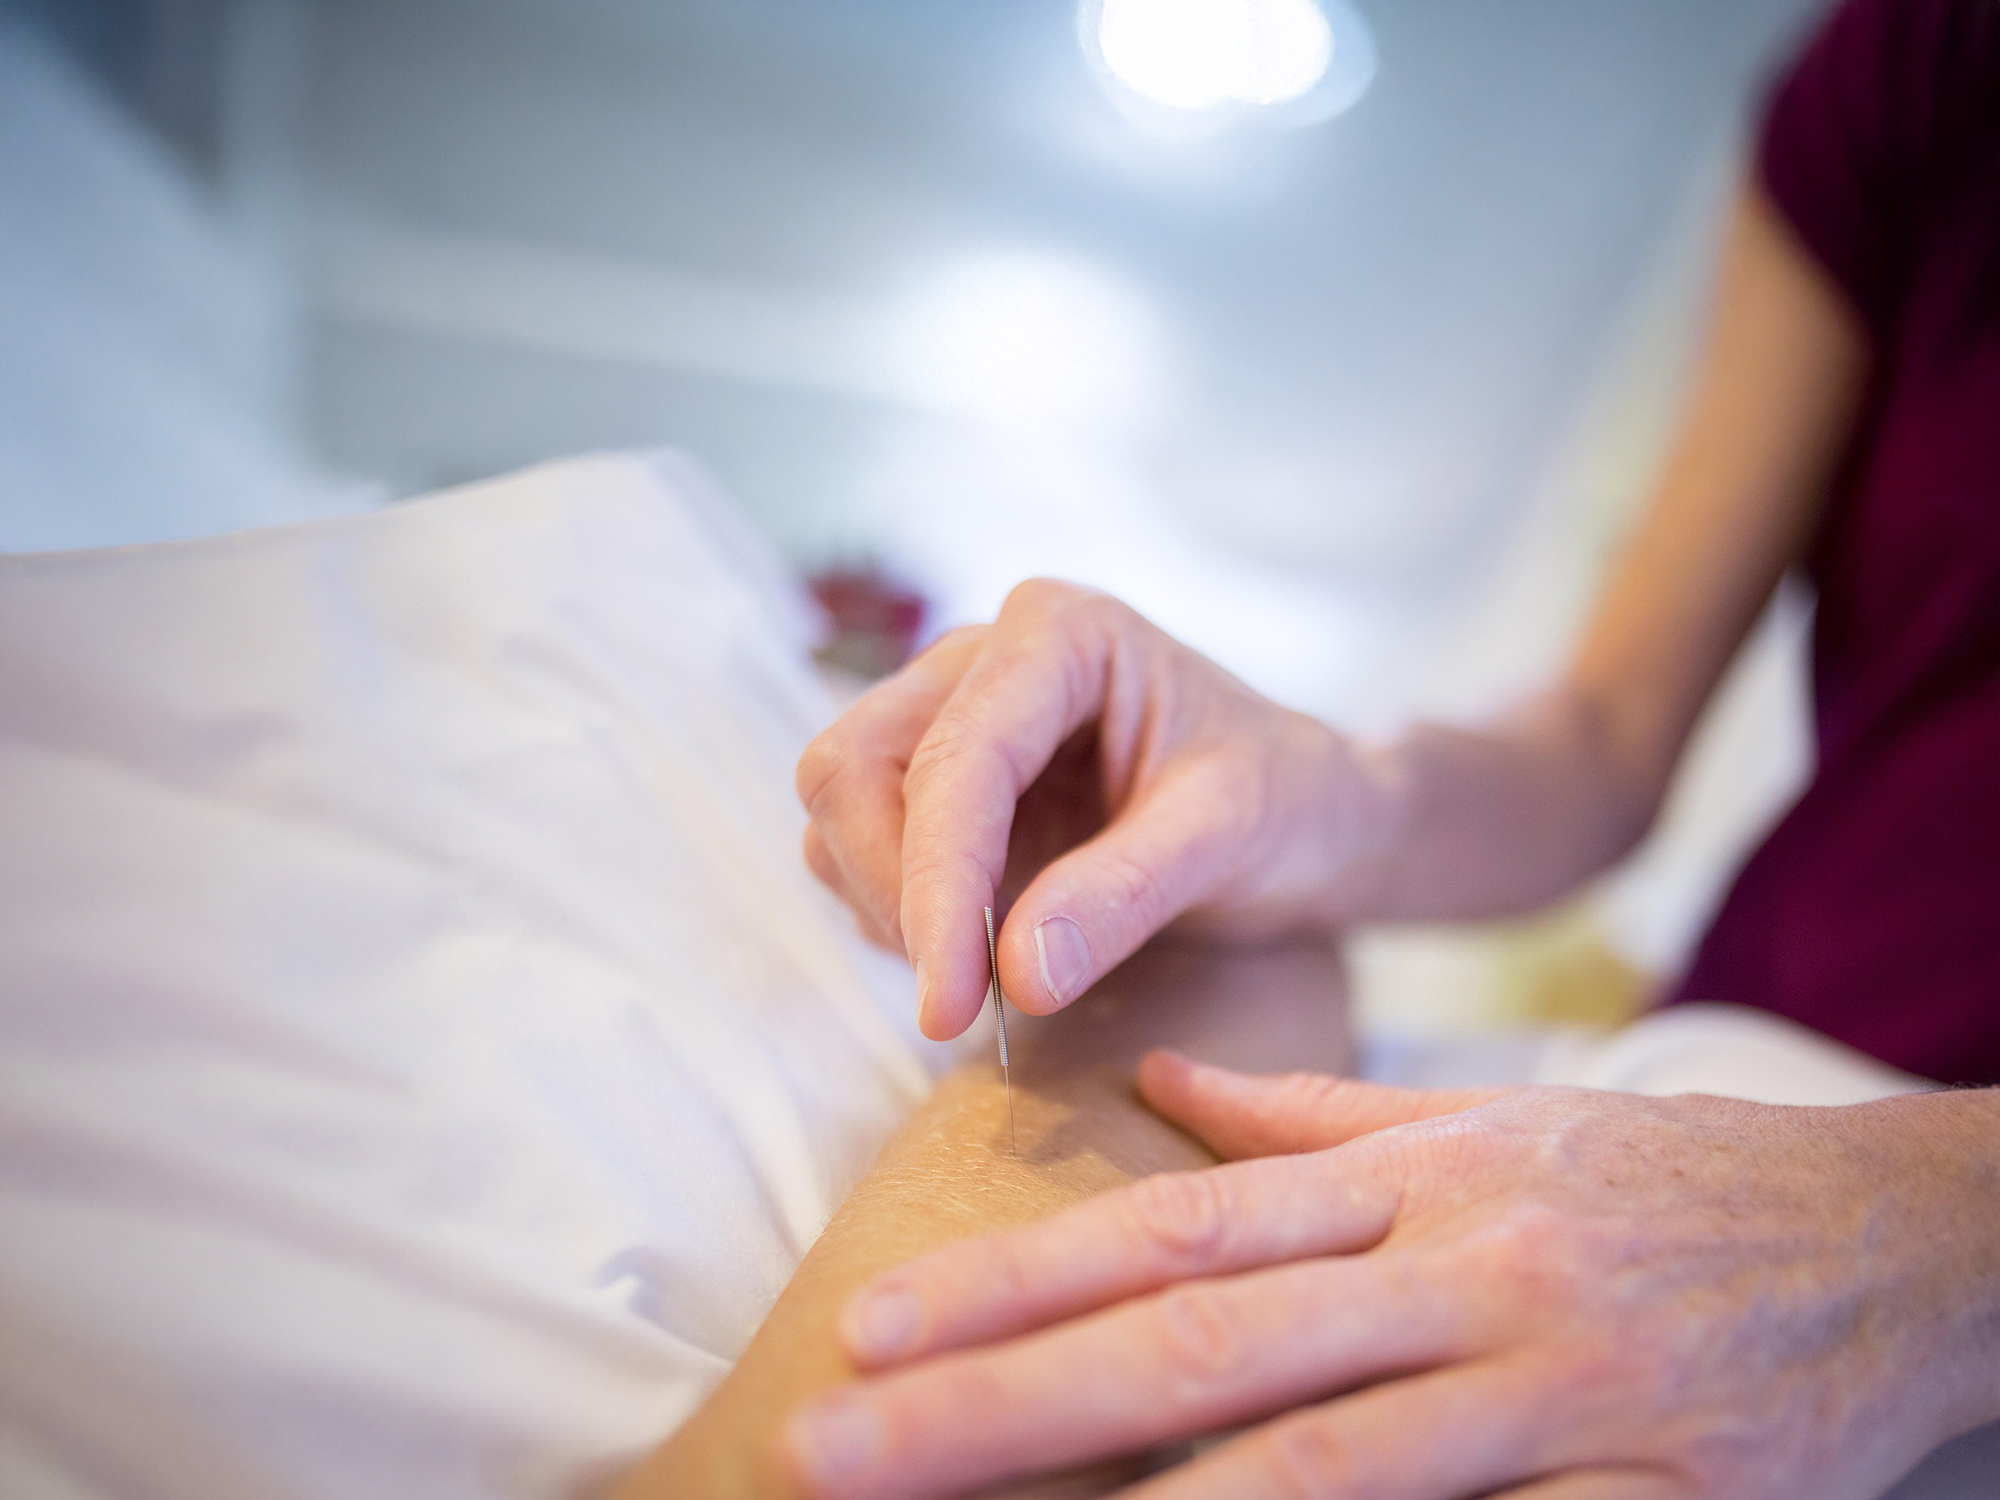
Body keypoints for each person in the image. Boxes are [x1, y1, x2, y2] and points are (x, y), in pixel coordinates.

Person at [772, 0, 2000, 1494]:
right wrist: (1332, 802)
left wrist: (1940, 1223)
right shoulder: (1922, 61)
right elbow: (1607, 737)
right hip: (1729, 1117)